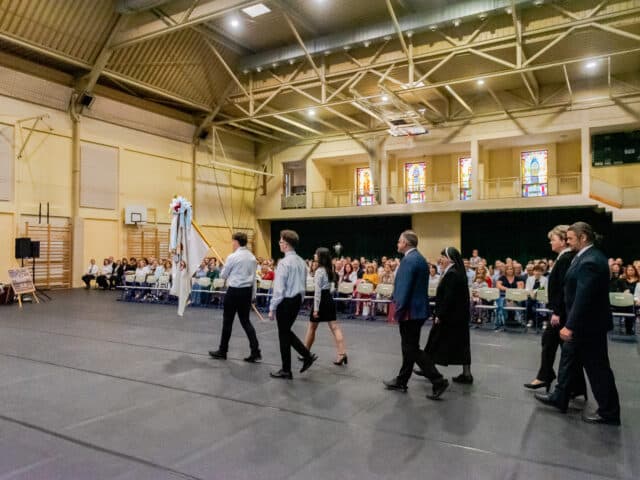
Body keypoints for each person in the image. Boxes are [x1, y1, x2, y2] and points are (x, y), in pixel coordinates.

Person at [535, 222, 621, 426]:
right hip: (585, 323)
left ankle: (609, 412)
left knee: (597, 368)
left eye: (571, 238)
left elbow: (584, 297)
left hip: (588, 325)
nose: (568, 242)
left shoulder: (590, 260)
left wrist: (570, 325)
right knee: (569, 357)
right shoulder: (585, 257)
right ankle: (560, 396)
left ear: (583, 238)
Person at [383, 230, 449, 400]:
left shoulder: (408, 260)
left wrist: (398, 310)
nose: (397, 244)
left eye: (399, 241)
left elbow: (404, 288)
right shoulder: (419, 258)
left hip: (410, 311)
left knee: (411, 349)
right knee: (409, 347)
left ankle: (438, 380)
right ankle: (402, 380)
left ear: (405, 243)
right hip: (417, 310)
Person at [524, 225, 584, 394]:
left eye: (553, 239)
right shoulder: (564, 257)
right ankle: (572, 384)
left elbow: (564, 288)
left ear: (563, 241)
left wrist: (557, 312)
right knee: (558, 345)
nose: (550, 242)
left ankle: (548, 377)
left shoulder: (565, 259)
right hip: (562, 310)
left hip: (562, 312)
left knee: (556, 344)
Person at [416, 247, 473, 384]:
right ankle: (466, 374)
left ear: (451, 259)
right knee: (462, 345)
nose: (440, 259)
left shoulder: (452, 274)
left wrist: (439, 314)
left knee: (434, 340)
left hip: (450, 317)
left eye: (443, 257)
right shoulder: (456, 272)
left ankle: (428, 369)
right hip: (458, 317)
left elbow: (448, 297)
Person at [269, 230, 317, 379]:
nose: (279, 244)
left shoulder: (284, 263)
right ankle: (302, 358)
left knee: (283, 334)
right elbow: (304, 284)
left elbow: (279, 289)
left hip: (286, 301)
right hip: (296, 300)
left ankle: (289, 368)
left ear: (286, 244)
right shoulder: (302, 261)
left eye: (281, 241)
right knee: (285, 332)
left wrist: (272, 307)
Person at [209, 232, 261, 363]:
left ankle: (223, 351)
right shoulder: (252, 258)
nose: (232, 243)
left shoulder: (232, 257)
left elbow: (223, 275)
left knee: (227, 322)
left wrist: (226, 269)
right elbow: (253, 279)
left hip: (234, 292)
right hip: (247, 292)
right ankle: (255, 351)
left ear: (236, 242)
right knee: (246, 322)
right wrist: (253, 295)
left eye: (232, 241)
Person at [301, 247, 348, 366]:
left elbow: (317, 292)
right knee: (335, 327)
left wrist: (316, 309)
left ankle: (305, 353)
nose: (314, 255)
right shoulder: (330, 269)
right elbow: (332, 288)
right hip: (328, 299)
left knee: (312, 327)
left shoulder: (319, 271)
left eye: (316, 254)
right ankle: (342, 353)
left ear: (320, 257)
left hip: (321, 300)